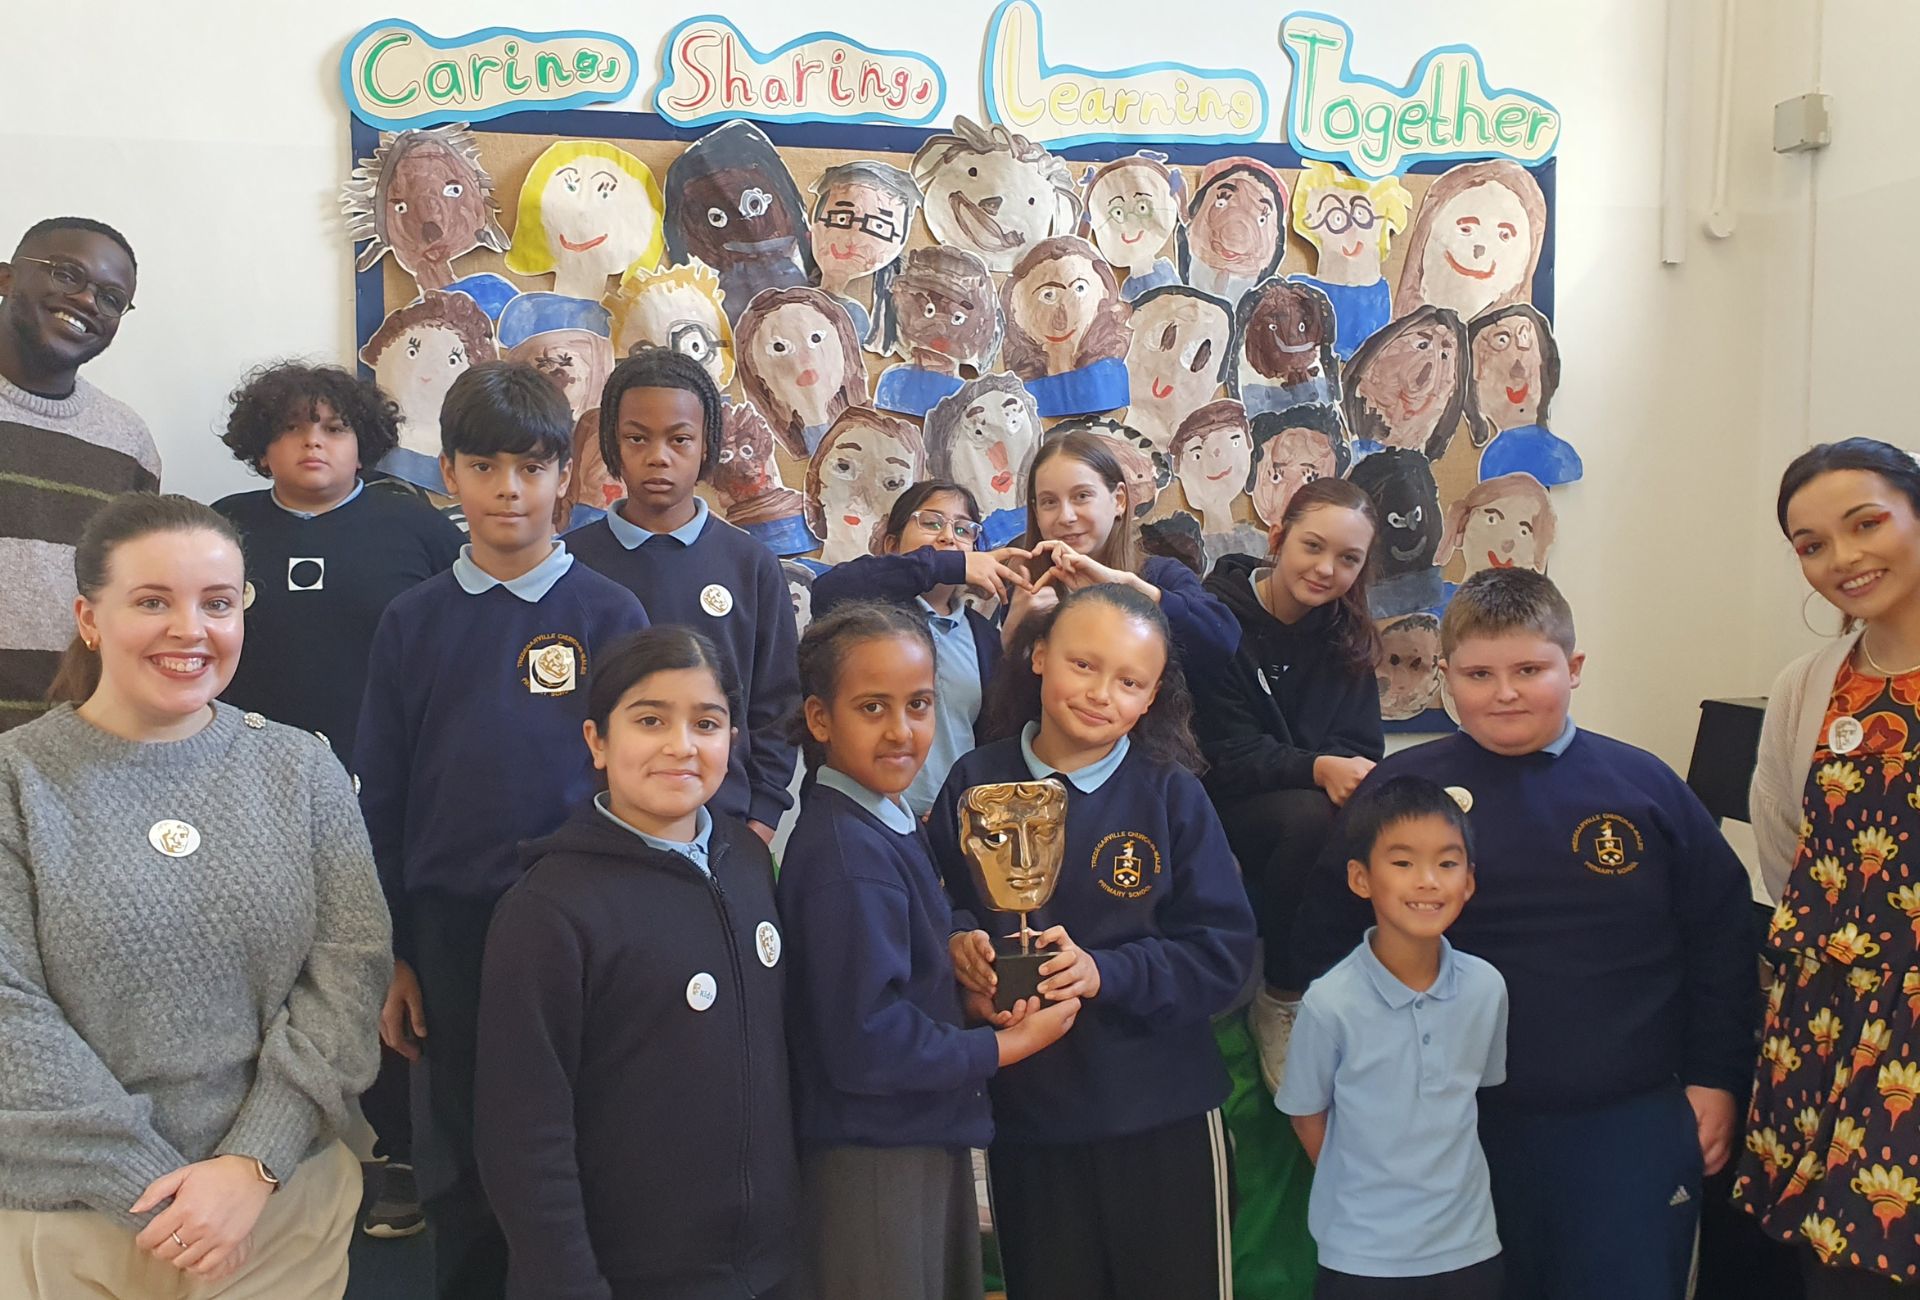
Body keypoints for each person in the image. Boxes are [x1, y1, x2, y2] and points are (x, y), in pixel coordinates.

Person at [1292, 568, 1754, 1300]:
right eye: (1479, 673)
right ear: (1446, 679)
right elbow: (1327, 949)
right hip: (1444, 1131)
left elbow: (1723, 942)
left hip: (1624, 1120)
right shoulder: (1397, 794)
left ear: (1572, 669)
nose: (1504, 692)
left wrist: (1716, 1078)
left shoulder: (1645, 788)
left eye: (1530, 670)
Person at [0, 493, 389, 1298]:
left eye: (218, 603)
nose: (192, 629)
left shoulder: (301, 771)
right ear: (89, 617)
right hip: (68, 1224)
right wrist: (155, 1192)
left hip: (278, 1207)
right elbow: (10, 1016)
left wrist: (253, 1162)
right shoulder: (16, 780)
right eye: (152, 601)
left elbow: (349, 976)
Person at [353, 362, 649, 1300]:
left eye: (531, 467)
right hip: (451, 932)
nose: (509, 490)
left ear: (566, 474)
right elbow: (384, 799)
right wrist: (398, 953)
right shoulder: (414, 619)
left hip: (584, 923)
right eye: (485, 467)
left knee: (584, 1140)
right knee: (467, 1154)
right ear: (450, 474)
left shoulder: (610, 612)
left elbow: (644, 785)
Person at [930, 583, 1257, 1300]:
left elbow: (1225, 956)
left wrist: (1103, 972)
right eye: (1084, 665)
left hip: (1160, 1115)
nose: (1101, 693)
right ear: (1039, 656)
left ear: (1151, 697)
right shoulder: (973, 782)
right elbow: (938, 904)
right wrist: (959, 947)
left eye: (1129, 681)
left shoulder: (1169, 794)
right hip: (1031, 1120)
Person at [211, 361, 461, 1240]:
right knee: (259, 973)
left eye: (333, 427)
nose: (313, 442)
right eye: (292, 427)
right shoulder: (224, 529)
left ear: (363, 439)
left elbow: (453, 648)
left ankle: (400, 1154)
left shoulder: (409, 525)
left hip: (381, 794)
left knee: (380, 969)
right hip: (243, 799)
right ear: (262, 443)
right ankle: (250, 1151)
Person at [474, 628, 797, 1299]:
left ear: (732, 740)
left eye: (706, 723)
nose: (681, 745)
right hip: (627, 1277)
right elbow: (522, 1135)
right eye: (650, 720)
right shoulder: (548, 910)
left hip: (769, 1268)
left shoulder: (745, 863)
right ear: (597, 741)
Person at [781, 602, 1079, 1299]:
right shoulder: (842, 857)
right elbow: (865, 1043)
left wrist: (962, 979)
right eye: (872, 707)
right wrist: (1004, 1048)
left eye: (918, 704)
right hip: (873, 1154)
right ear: (821, 720)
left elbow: (896, 975)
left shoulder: (882, 820)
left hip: (913, 1130)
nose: (901, 731)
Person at [1737, 438, 1920, 1296]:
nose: (1843, 559)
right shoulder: (1808, 685)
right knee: (1841, 1275)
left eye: (1866, 524)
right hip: (1827, 1021)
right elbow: (1785, 848)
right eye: (1811, 545)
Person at [1278, 775, 1508, 1299]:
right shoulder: (1331, 1001)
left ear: (1469, 881)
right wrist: (1361, 1188)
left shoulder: (1486, 988)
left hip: (1468, 1247)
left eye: (1447, 864)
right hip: (1363, 1254)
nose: (1427, 881)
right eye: (1402, 863)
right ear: (1361, 879)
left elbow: (1477, 1093)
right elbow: (1306, 1113)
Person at [1190, 478, 1384, 1092]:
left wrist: (1340, 772)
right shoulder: (1216, 618)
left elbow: (1360, 746)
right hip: (1226, 807)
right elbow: (1221, 753)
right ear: (1278, 538)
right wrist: (1317, 768)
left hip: (1309, 801)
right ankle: (1282, 996)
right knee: (1310, 819)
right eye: (1313, 547)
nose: (1327, 570)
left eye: (1348, 559)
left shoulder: (1346, 635)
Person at [568, 348, 799, 842]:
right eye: (637, 438)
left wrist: (762, 814)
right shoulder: (569, 564)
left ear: (706, 446)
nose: (658, 456)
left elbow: (776, 702)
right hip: (592, 826)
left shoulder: (750, 565)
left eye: (680, 439)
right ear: (612, 444)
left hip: (722, 825)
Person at [0, 217, 160, 732]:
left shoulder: (127, 441)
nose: (90, 301)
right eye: (67, 274)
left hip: (68, 745)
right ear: (6, 279)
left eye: (112, 298)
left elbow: (131, 591)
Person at [810, 482, 1031, 813]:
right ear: (891, 544)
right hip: (866, 817)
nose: (947, 536)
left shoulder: (983, 637)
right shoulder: (868, 617)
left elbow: (993, 740)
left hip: (953, 824)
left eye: (962, 529)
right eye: (930, 522)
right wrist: (948, 564)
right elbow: (828, 591)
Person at [1002, 430, 1240, 673]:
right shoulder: (1027, 589)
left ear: (1119, 500)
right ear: (1036, 511)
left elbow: (1223, 643)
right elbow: (1004, 700)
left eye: (1082, 496)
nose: (1066, 517)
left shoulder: (1162, 576)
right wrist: (1010, 636)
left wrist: (1132, 590)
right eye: (1049, 502)